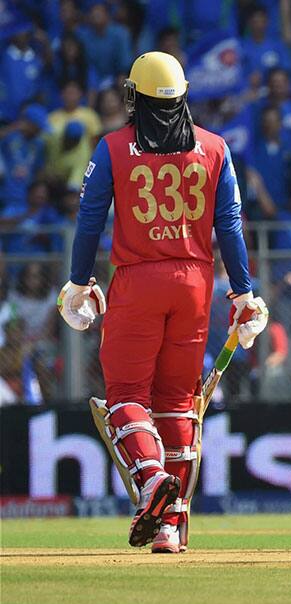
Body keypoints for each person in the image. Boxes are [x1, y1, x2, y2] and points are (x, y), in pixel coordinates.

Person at [56, 52, 269, 554]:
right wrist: (243, 292)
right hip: (195, 282)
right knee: (178, 403)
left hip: (136, 279)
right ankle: (172, 526)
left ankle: (152, 484)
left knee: (126, 396)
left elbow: (89, 219)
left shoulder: (112, 147)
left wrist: (78, 282)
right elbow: (231, 225)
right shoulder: (216, 148)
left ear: (136, 97)